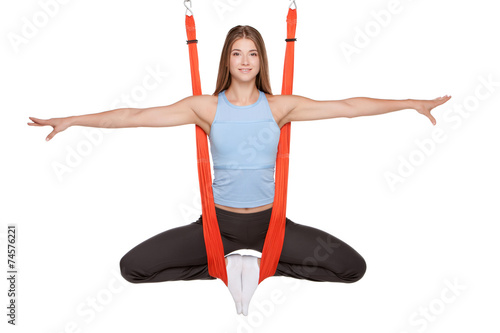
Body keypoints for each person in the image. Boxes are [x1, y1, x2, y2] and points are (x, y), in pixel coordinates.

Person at [27, 25, 451, 316]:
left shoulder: (280, 106)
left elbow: (349, 108)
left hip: (272, 228)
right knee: (132, 268)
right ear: (226, 60)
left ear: (261, 59)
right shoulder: (205, 107)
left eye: (252, 53)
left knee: (352, 269)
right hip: (218, 226)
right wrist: (72, 120)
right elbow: (133, 115)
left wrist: (411, 103)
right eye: (236, 53)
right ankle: (223, 267)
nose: (245, 60)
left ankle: (264, 265)